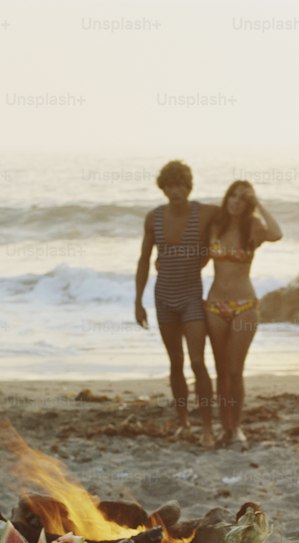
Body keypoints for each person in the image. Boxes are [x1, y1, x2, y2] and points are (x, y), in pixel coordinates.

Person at [135, 161, 219, 447]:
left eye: (180, 185)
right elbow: (144, 261)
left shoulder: (204, 213)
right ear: (163, 188)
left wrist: (208, 254)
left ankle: (208, 427)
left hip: (192, 297)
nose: (175, 191)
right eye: (170, 186)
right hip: (164, 298)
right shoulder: (154, 218)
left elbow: (234, 216)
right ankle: (184, 422)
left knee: (198, 362)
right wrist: (138, 301)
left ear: (189, 186)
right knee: (175, 362)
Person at [205, 180, 281, 446]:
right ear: (227, 197)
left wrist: (258, 202)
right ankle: (223, 426)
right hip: (214, 306)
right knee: (221, 370)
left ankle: (236, 427)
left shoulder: (253, 227)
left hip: (245, 306)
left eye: (242, 199)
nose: (236, 201)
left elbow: (277, 233)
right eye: (232, 196)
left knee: (236, 370)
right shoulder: (215, 226)